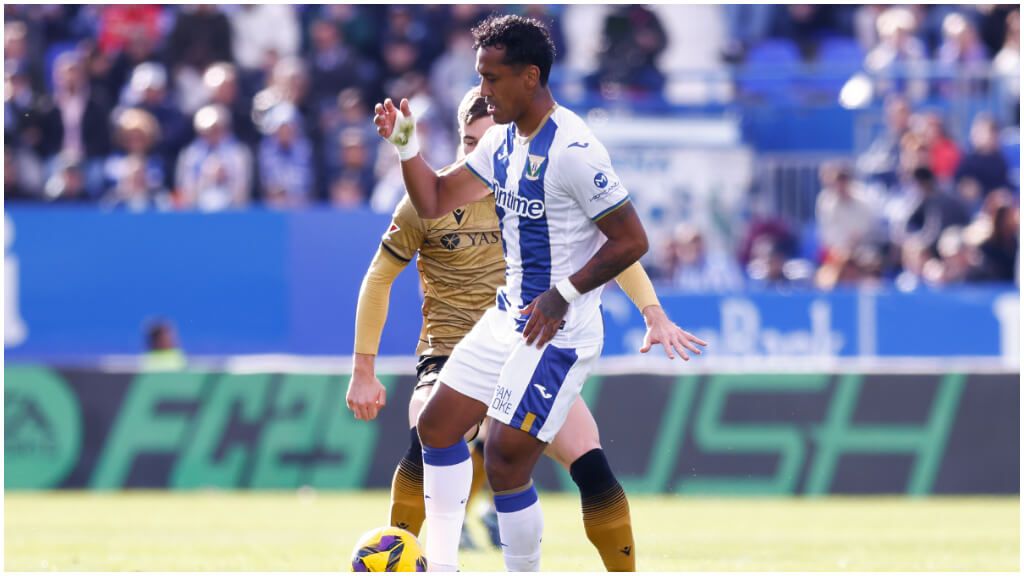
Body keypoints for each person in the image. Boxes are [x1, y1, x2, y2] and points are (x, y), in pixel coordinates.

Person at [372, 15, 705, 572]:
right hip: (509, 318)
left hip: (560, 331)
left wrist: (564, 293)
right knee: (435, 426)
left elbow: (632, 239)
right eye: (480, 77)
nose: (483, 91)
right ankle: (444, 565)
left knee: (504, 457)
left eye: (492, 78)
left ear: (530, 77)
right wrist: (407, 148)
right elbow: (433, 199)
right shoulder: (501, 141)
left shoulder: (575, 149)